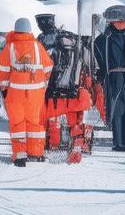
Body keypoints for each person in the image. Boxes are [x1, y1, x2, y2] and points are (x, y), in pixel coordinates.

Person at [0, 18, 54, 166]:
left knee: (17, 124)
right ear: (30, 30)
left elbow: (2, 70)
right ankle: (36, 154)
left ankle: (20, 156)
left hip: (15, 93)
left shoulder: (9, 47)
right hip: (35, 94)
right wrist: (44, 83)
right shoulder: (37, 47)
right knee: (35, 123)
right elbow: (48, 66)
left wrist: (4, 89)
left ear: (15, 30)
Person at [39, 15, 93, 163]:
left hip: (51, 91)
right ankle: (77, 148)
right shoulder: (73, 38)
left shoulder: (42, 40)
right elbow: (87, 60)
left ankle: (52, 147)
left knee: (51, 120)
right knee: (75, 120)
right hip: (72, 89)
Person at [92, 4, 125, 151]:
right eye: (111, 22)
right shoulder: (105, 37)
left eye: (114, 21)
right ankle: (119, 143)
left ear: (123, 20)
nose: (112, 24)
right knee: (116, 109)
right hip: (112, 76)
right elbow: (98, 50)